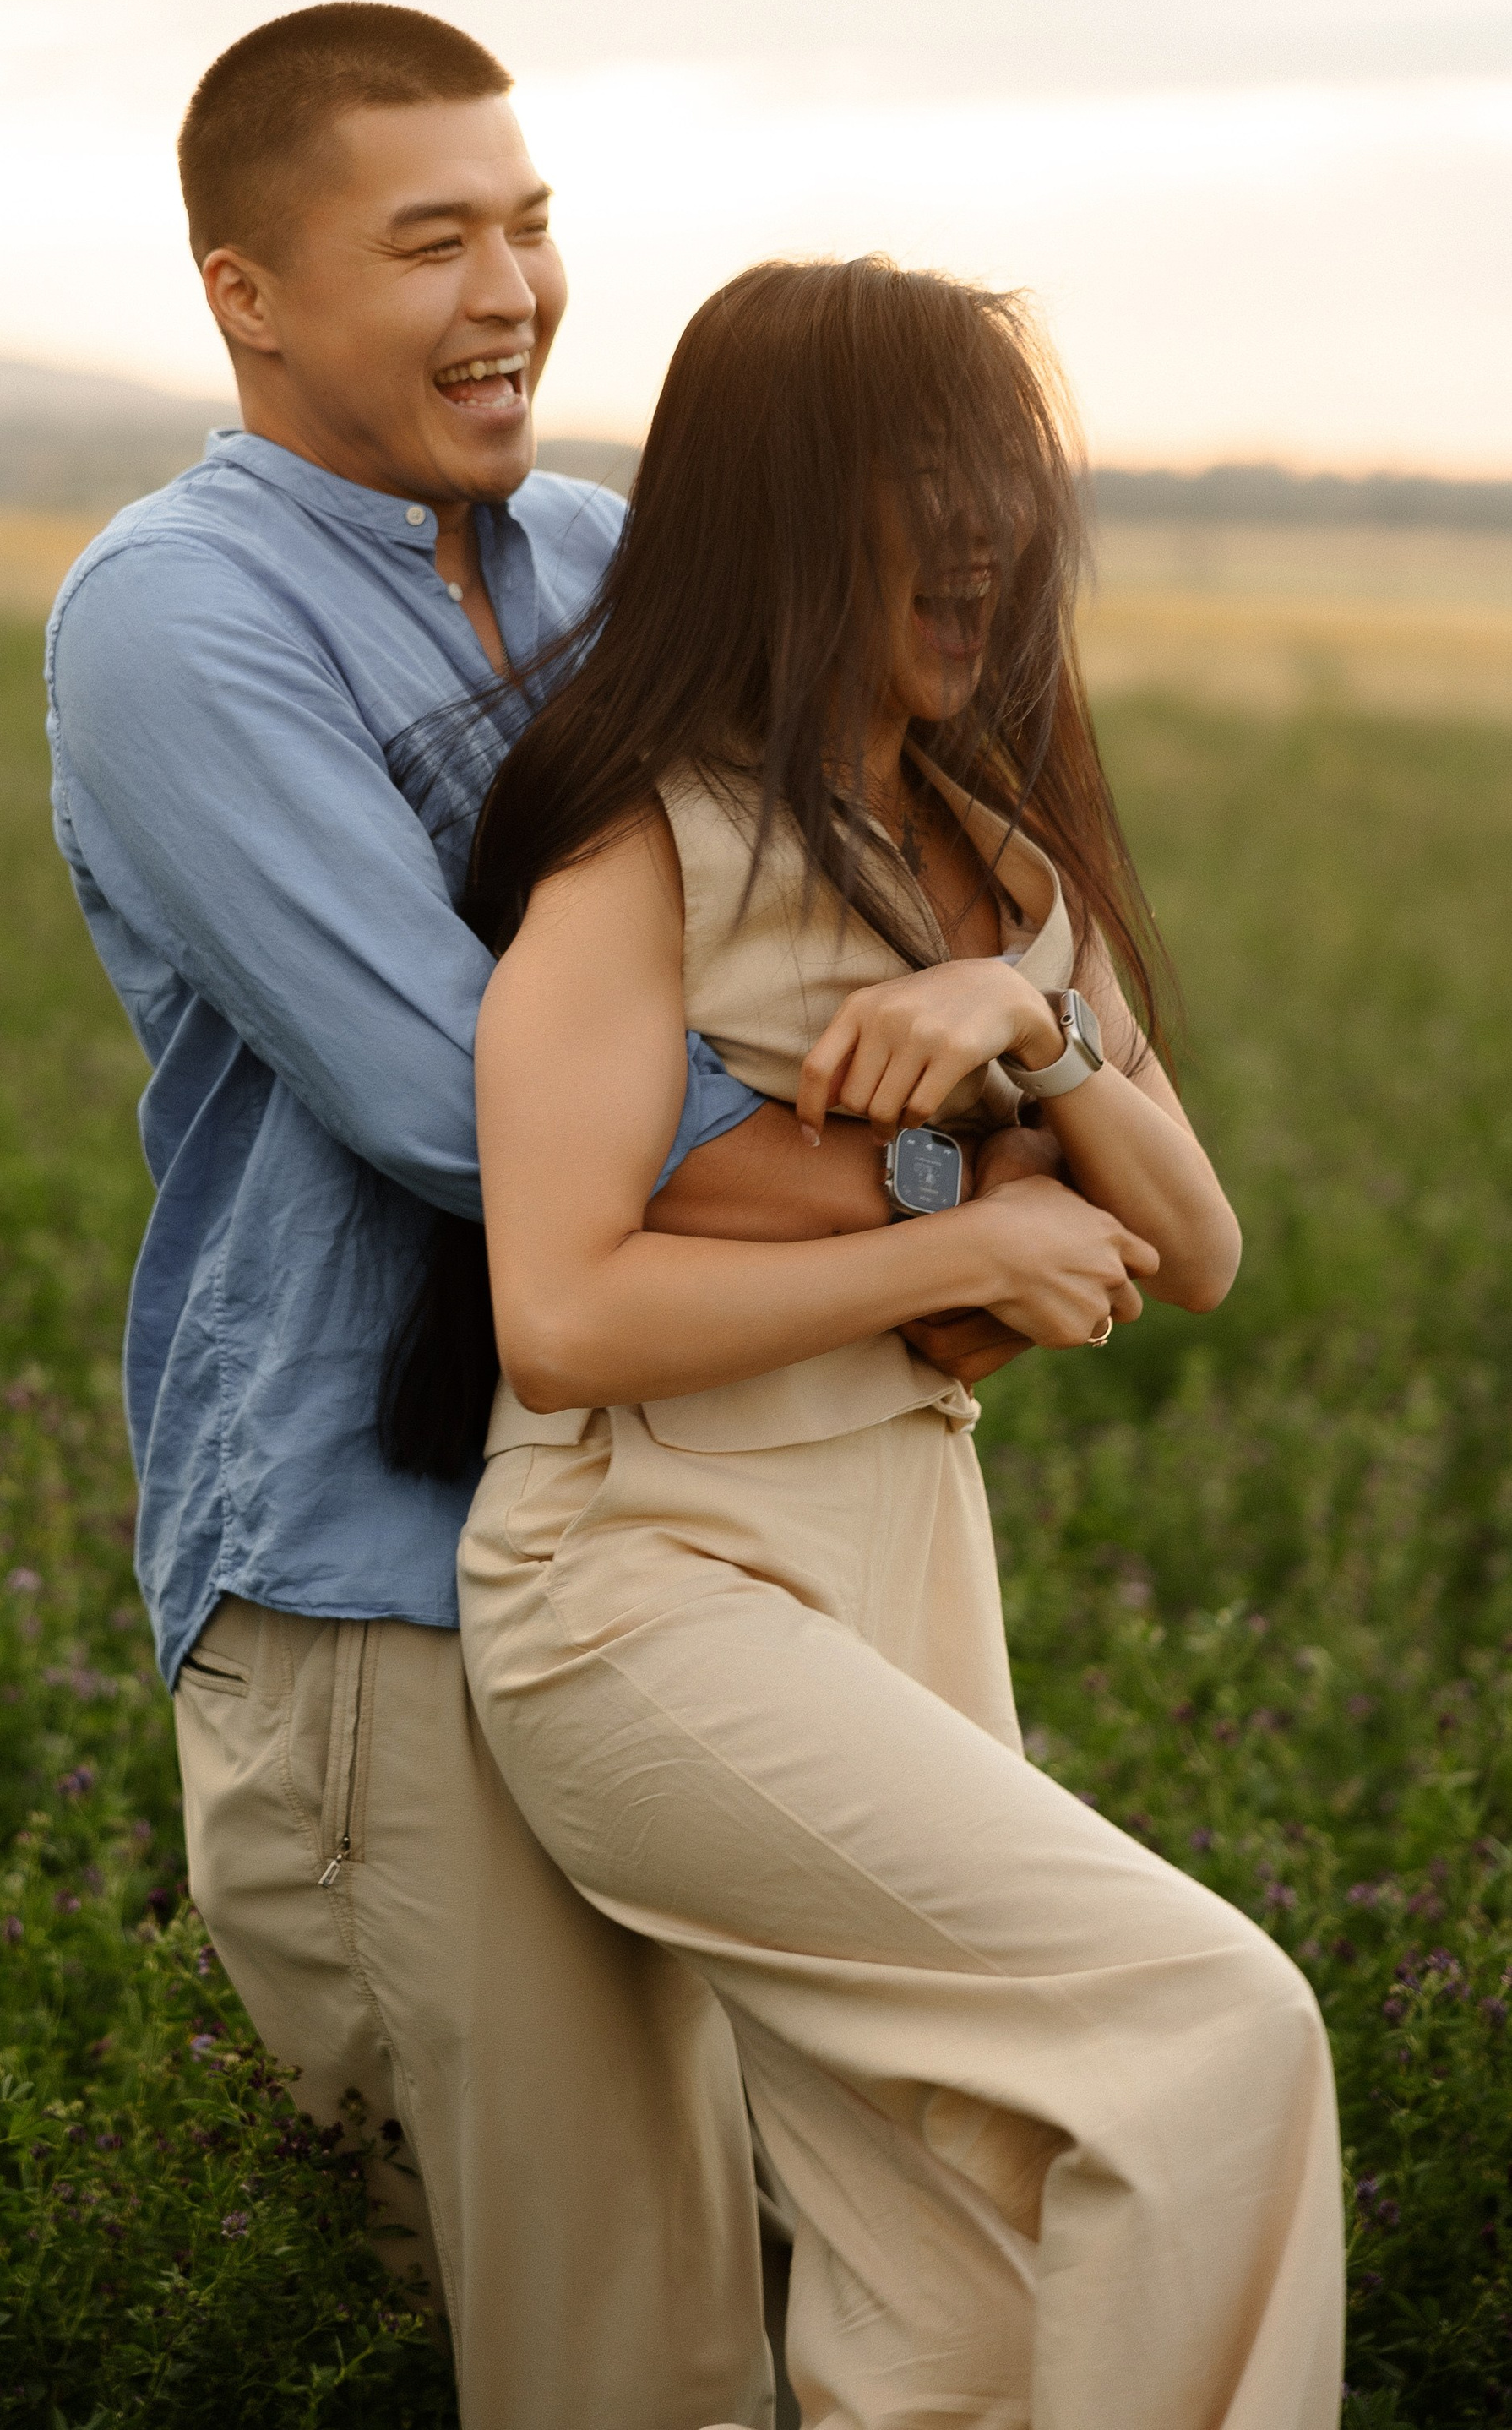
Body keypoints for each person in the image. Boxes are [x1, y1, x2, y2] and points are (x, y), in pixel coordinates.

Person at [50, 6, 931, 2429]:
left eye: (529, 223)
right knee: (621, 2352)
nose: (511, 288)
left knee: (828, 2238)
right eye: (430, 239)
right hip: (380, 1576)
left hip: (673, 1523)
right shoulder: (175, 614)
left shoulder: (605, 556)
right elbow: (458, 1109)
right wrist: (930, 1201)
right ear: (251, 292)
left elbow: (847, 907)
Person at [444, 255, 1346, 2430]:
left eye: (1004, 477)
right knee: (1204, 2033)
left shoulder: (996, 846)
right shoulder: (642, 838)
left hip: (899, 1554)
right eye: (921, 477)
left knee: (939, 2284)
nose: (984, 530)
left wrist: (1022, 1024)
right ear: (780, 505)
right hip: (646, 1577)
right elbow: (562, 1312)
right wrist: (966, 1256)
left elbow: (1198, 1243)